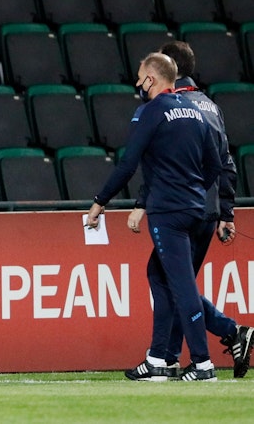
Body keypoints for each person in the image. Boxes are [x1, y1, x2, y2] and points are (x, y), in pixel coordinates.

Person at [86, 53, 222, 382]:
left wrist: (99, 201)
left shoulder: (153, 112)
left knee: (181, 284)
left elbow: (128, 163)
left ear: (153, 78)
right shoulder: (195, 111)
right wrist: (192, 190)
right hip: (194, 207)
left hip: (168, 212)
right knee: (158, 275)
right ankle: (157, 358)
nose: (137, 83)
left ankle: (203, 364)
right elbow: (215, 164)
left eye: (140, 76)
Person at [124, 41, 250, 378]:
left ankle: (177, 354)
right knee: (176, 282)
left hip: (179, 207)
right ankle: (169, 356)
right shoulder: (209, 106)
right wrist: (226, 212)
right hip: (205, 212)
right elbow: (225, 163)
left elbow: (161, 164)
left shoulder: (170, 108)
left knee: (174, 284)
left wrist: (141, 203)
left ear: (168, 70)